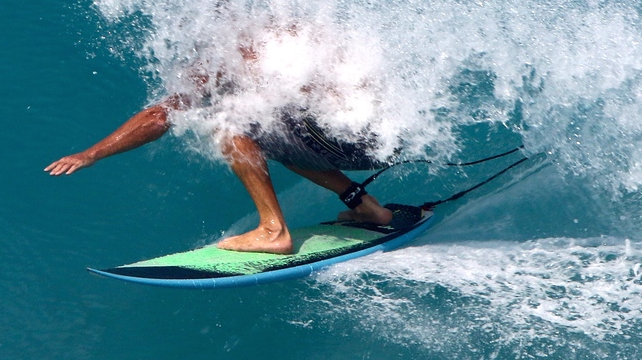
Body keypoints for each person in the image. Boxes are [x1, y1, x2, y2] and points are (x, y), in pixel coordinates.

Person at [45, 97, 406, 254]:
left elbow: (158, 118)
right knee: (275, 127)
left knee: (233, 121)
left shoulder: (222, 51)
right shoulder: (284, 33)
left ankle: (273, 230)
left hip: (342, 140)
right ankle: (366, 207)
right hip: (390, 138)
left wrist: (91, 153)